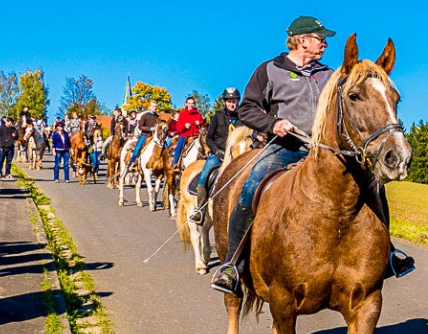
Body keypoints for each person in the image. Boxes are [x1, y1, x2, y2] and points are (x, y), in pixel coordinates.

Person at [210, 15, 415, 294]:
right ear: (302, 40)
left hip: (324, 150)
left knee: (374, 189)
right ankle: (232, 264)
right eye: (321, 39)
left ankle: (389, 255)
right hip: (284, 147)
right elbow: (247, 109)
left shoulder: (330, 75)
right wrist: (274, 124)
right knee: (250, 187)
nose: (325, 44)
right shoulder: (269, 70)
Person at [189, 87, 240, 225]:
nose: (231, 104)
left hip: (238, 155)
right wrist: (217, 151)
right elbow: (209, 138)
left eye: (234, 101)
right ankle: (200, 209)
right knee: (205, 175)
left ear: (237, 101)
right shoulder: (217, 117)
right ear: (225, 102)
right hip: (219, 154)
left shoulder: (243, 118)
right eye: (229, 101)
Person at [171, 96, 204, 167]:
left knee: (205, 145)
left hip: (196, 135)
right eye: (189, 103)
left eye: (192, 103)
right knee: (179, 145)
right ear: (186, 104)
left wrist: (200, 122)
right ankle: (175, 163)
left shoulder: (198, 114)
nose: (190, 105)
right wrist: (185, 126)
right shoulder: (182, 114)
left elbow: (203, 123)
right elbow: (178, 127)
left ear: (194, 104)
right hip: (185, 135)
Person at [127, 101, 161, 167]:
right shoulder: (145, 115)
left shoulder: (157, 117)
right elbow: (140, 126)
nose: (155, 108)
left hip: (155, 136)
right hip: (145, 135)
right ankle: (132, 161)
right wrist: (150, 129)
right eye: (153, 106)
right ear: (149, 107)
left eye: (156, 106)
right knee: (137, 147)